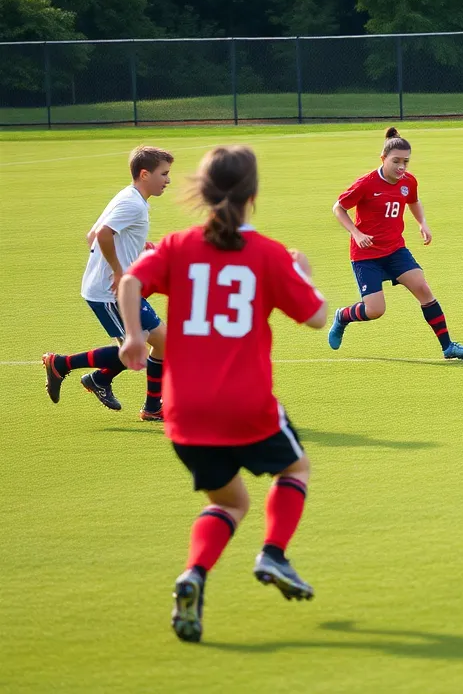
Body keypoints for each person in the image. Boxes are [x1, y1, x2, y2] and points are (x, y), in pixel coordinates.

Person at [116, 145, 328, 643]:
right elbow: (318, 317)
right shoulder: (269, 254)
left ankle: (194, 576)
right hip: (246, 402)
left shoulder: (176, 246)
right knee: (294, 468)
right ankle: (274, 554)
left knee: (229, 503)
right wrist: (303, 274)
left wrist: (133, 335)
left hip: (186, 410)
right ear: (253, 194)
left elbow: (128, 281)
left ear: (203, 192)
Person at [42, 146, 174, 420]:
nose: (168, 180)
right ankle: (61, 364)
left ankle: (149, 407)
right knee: (132, 353)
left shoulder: (130, 197)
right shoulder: (133, 203)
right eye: (164, 174)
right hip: (110, 292)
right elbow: (102, 234)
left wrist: (136, 250)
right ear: (145, 173)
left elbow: (92, 235)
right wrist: (117, 271)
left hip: (119, 288)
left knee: (163, 343)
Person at [327, 128, 463, 359]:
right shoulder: (366, 183)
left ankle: (448, 347)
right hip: (366, 255)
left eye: (405, 161)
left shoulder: (408, 181)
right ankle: (342, 316)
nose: (401, 167)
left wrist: (422, 223)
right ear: (383, 159)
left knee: (423, 288)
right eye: (396, 161)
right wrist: (356, 233)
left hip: (395, 250)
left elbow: (413, 201)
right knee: (375, 310)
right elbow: (339, 208)